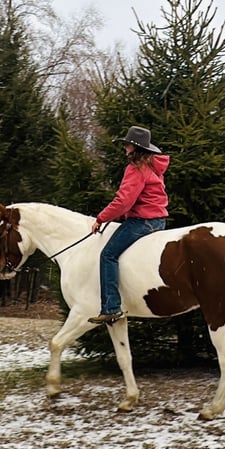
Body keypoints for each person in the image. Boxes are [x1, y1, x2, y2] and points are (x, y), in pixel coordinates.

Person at [88, 126, 170, 324]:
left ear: (135, 147)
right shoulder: (153, 166)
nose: (125, 147)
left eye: (127, 144)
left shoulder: (136, 169)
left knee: (108, 255)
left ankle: (111, 307)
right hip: (158, 221)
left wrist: (101, 218)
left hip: (142, 222)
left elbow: (124, 201)